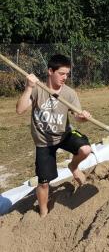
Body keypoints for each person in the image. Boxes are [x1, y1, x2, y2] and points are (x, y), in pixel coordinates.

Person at [16, 54, 92, 217]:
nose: (65, 77)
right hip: (44, 142)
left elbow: (77, 117)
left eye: (67, 74)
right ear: (50, 71)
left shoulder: (69, 93)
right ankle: (43, 213)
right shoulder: (37, 89)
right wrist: (28, 87)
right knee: (44, 183)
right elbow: (20, 110)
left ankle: (73, 166)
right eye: (62, 73)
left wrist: (83, 116)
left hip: (63, 135)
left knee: (85, 149)